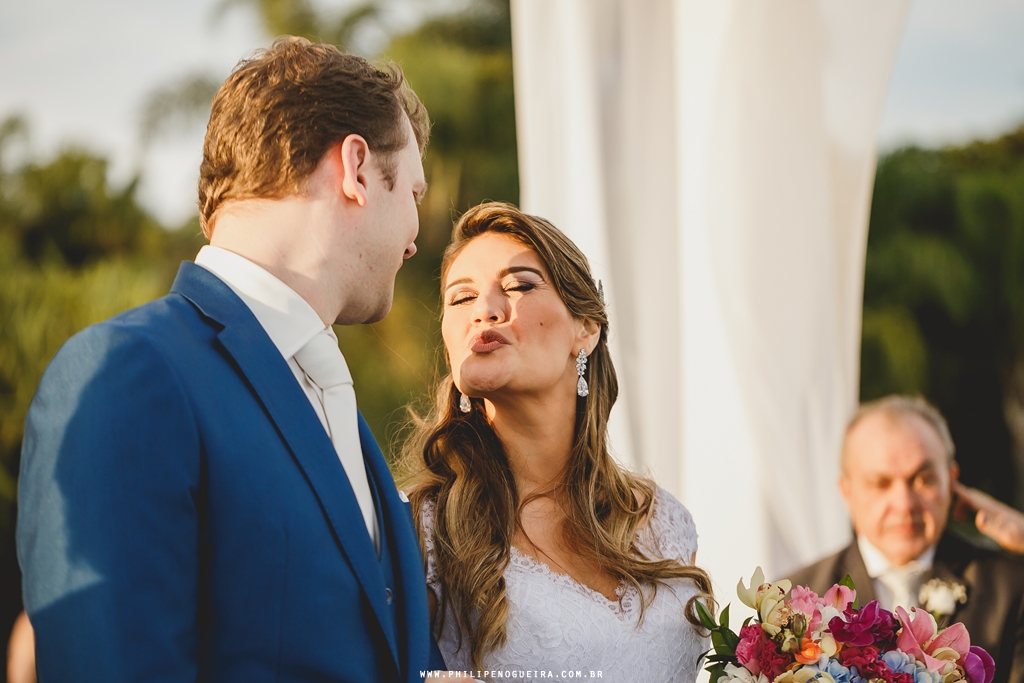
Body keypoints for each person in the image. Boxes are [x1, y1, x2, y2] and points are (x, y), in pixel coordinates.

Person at [17, 37, 445, 682]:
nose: (416, 237)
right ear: (355, 169)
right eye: (413, 191)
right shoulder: (130, 373)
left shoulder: (332, 403)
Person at [399, 202, 714, 680]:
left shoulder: (664, 522)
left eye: (519, 285)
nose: (485, 310)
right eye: (460, 298)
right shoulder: (422, 534)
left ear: (584, 329)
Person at [788, 395, 1024, 683]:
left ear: (951, 481)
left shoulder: (1011, 587)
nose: (904, 503)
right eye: (880, 483)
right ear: (847, 492)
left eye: (923, 480)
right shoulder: (798, 604)